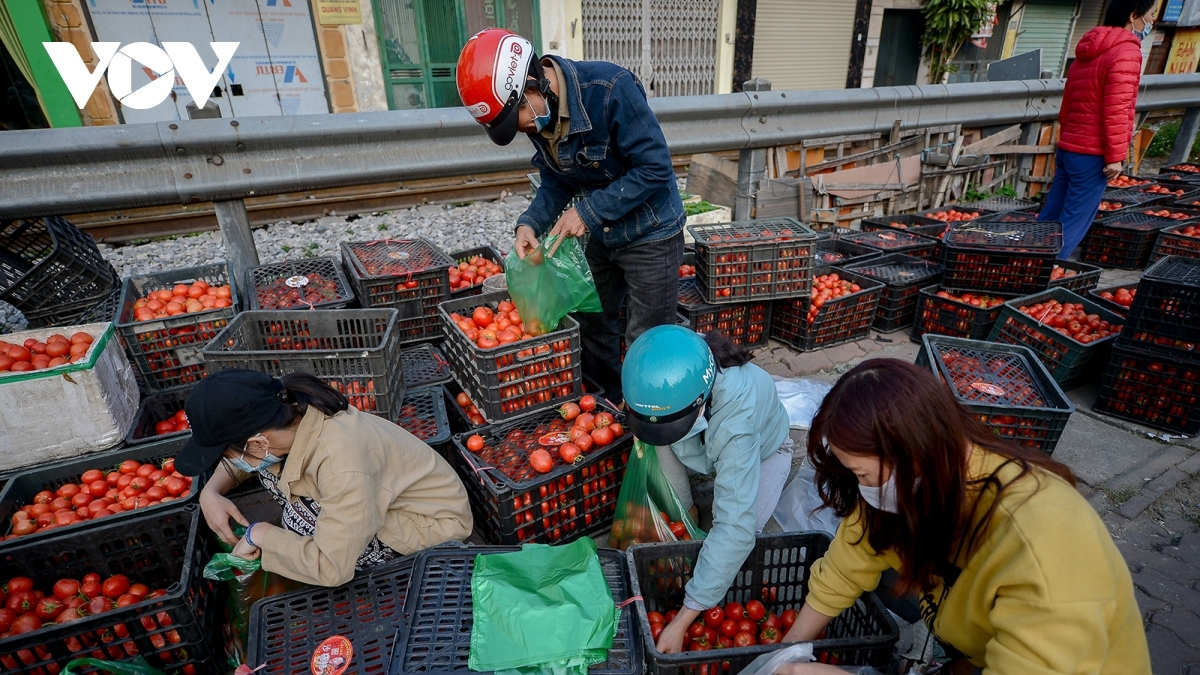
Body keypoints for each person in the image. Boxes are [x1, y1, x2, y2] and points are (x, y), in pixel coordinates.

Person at [778, 359, 1151, 675]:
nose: (863, 490)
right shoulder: (917, 483)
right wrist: (789, 651)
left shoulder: (1044, 548)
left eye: (862, 475)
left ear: (912, 453)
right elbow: (849, 561)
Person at [456, 28, 685, 403]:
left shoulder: (610, 90)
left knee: (647, 339)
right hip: (603, 233)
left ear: (534, 85)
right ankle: (609, 407)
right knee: (593, 324)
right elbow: (555, 181)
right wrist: (530, 222)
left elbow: (655, 168)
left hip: (651, 231)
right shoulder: (536, 113)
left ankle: (653, 418)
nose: (525, 129)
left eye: (520, 120)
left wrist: (588, 211)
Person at [177, 369, 473, 587]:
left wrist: (262, 535)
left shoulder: (340, 464)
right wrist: (211, 492)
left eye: (227, 454)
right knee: (295, 509)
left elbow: (331, 568)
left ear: (258, 443)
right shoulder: (289, 413)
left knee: (301, 521)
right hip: (381, 498)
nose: (232, 461)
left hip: (431, 526)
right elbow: (241, 459)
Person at [620, 326, 792, 654]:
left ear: (700, 403)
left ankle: (701, 535)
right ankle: (689, 512)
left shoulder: (736, 423)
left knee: (746, 529)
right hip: (702, 438)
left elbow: (734, 529)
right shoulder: (674, 357)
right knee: (658, 438)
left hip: (767, 451)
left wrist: (684, 618)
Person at [1038, 0, 1153, 260]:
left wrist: (1067, 139)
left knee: (1051, 214)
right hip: (1093, 152)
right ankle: (1047, 275)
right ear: (1134, 15)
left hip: (1070, 148)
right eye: (1151, 15)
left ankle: (1026, 261)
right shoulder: (1126, 52)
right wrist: (1115, 156)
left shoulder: (1086, 51)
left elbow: (1067, 106)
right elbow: (1117, 109)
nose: (1152, 21)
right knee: (1073, 221)